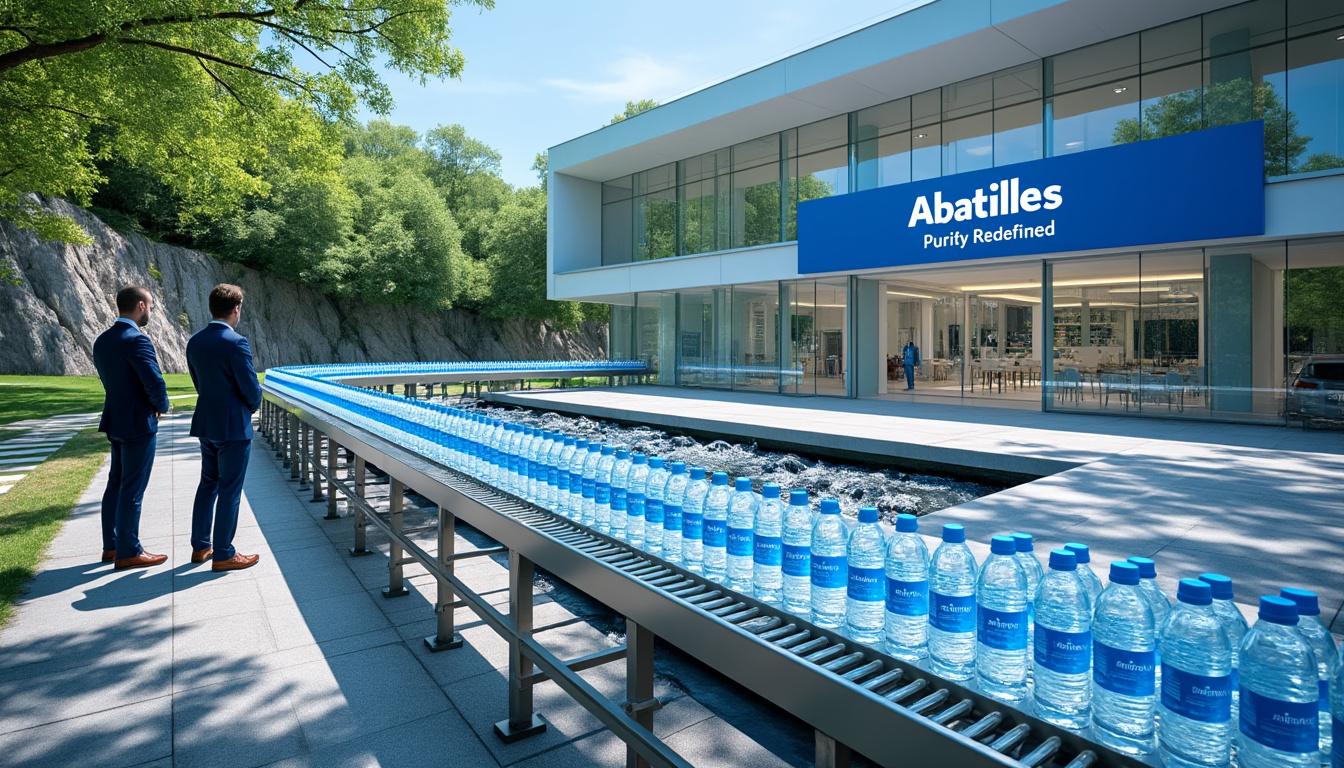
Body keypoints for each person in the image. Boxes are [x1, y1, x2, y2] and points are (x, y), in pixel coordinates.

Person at [186, 284, 263, 572]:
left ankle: (201, 545)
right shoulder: (236, 343)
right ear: (236, 308)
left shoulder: (195, 341)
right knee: (230, 489)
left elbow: (198, 383)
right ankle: (224, 552)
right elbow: (250, 388)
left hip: (206, 422)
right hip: (233, 426)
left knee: (208, 483)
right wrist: (253, 405)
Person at [93, 286, 171, 570]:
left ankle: (111, 546)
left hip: (116, 419)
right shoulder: (137, 340)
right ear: (140, 305)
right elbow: (153, 380)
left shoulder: (102, 341)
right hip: (139, 421)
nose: (150, 311)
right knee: (133, 488)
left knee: (116, 482)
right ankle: (129, 550)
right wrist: (162, 405)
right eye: (150, 306)